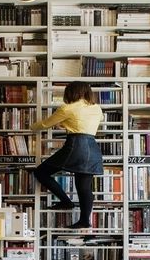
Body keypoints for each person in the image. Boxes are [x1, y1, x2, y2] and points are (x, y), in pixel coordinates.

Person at [30, 82, 103, 229]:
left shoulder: (67, 108)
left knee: (41, 172)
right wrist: (65, 124)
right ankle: (84, 221)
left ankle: (66, 201)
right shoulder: (96, 108)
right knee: (84, 187)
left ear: (71, 92)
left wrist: (31, 127)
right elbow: (86, 122)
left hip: (76, 146)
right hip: (93, 148)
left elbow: (45, 124)